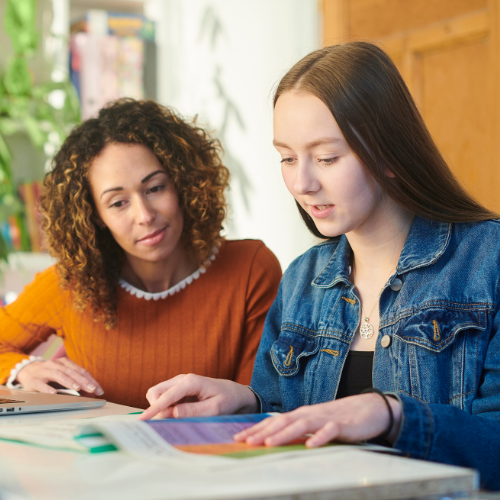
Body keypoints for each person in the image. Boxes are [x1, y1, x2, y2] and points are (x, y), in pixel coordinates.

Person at [140, 42, 500, 490]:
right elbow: (286, 422)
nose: (301, 183)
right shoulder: (303, 280)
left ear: (388, 152)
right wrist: (245, 402)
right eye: (287, 158)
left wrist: (391, 415)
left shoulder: (489, 259)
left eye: (326, 158)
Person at [0, 99, 281, 409]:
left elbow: (263, 401)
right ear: (94, 215)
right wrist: (23, 369)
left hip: (215, 453)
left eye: (155, 188)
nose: (145, 215)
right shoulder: (71, 283)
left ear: (181, 182)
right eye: (118, 203)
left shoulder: (250, 269)